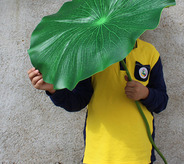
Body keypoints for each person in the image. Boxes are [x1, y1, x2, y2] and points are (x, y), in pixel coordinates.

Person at [28, 38, 168, 164]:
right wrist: (54, 89)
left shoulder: (150, 53)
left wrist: (146, 93)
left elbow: (162, 102)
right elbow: (77, 102)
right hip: (98, 153)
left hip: (139, 153)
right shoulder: (91, 56)